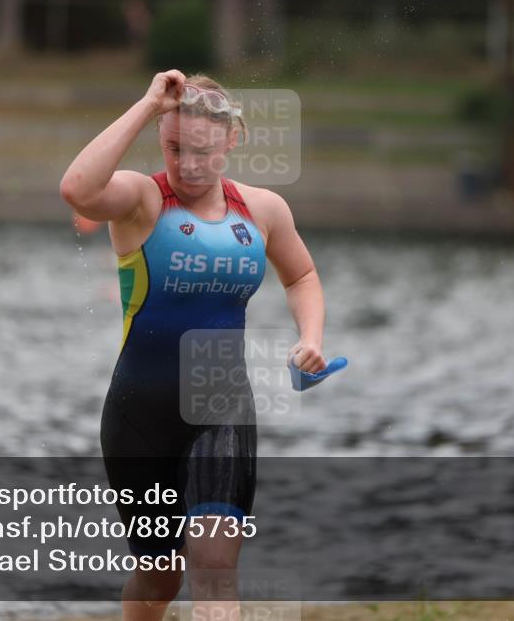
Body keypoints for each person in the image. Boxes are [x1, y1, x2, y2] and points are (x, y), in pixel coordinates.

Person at [60, 70, 327, 621]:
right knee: (160, 576)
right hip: (138, 413)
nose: (187, 165)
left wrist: (311, 339)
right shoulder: (141, 199)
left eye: (202, 151)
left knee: (212, 562)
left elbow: (301, 278)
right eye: (173, 147)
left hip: (220, 405)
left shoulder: (263, 211)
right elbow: (78, 189)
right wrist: (148, 103)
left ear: (232, 141)